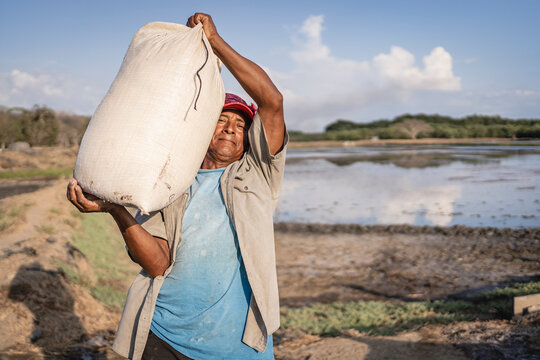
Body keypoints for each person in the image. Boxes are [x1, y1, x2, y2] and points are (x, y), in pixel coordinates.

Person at [67, 12, 286, 360]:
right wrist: (117, 211)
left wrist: (214, 41)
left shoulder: (257, 174)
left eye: (240, 125)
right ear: (202, 131)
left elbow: (272, 101)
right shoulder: (169, 184)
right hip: (164, 335)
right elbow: (157, 263)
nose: (230, 128)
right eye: (221, 120)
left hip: (238, 344)